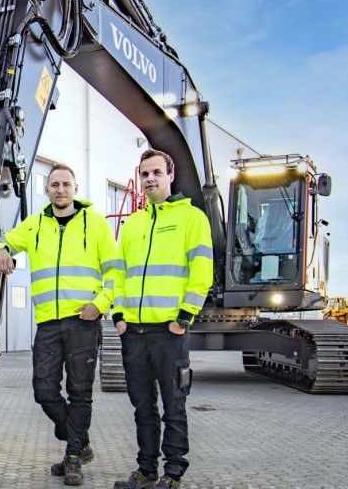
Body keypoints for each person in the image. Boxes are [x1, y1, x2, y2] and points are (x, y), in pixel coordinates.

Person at [0, 162, 121, 486]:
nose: (60, 189)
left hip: (82, 322)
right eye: (54, 184)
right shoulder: (34, 225)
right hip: (47, 323)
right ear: (47, 190)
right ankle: (81, 442)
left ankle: (73, 455)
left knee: (79, 393)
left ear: (75, 189)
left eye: (66, 184)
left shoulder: (97, 224)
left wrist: (100, 304)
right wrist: (2, 250)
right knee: (44, 390)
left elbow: (117, 272)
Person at [111, 149, 213, 489]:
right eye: (145, 174)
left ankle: (172, 474)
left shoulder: (192, 218)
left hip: (169, 331)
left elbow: (202, 272)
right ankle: (145, 470)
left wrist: (184, 317)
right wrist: (118, 316)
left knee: (174, 405)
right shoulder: (133, 224)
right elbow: (119, 275)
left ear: (171, 176)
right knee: (142, 407)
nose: (150, 179)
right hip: (134, 332)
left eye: (156, 172)